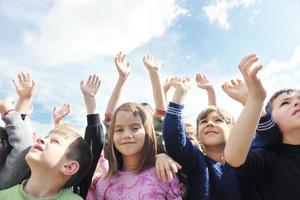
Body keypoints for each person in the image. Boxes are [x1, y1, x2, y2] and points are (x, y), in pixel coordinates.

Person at [225, 53, 300, 199]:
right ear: (271, 120)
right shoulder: (269, 159)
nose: (296, 103)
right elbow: (234, 157)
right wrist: (255, 99)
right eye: (285, 103)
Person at [163, 76, 252, 200]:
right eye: (204, 122)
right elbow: (174, 140)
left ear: (233, 131)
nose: (210, 124)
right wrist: (179, 96)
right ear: (198, 136)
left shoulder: (248, 161)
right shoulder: (197, 162)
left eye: (218, 120)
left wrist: (250, 100)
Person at [95, 102, 182, 199]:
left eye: (135, 128)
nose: (127, 135)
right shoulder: (104, 182)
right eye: (119, 130)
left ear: (148, 132)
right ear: (111, 136)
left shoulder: (164, 173)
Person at [0, 123, 92, 200]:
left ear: (69, 167)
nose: (41, 139)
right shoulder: (3, 196)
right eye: (45, 137)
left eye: (55, 141)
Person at [0, 72, 35, 189]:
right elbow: (23, 147)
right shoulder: (3, 182)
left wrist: (24, 100)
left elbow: (15, 139)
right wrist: (8, 112)